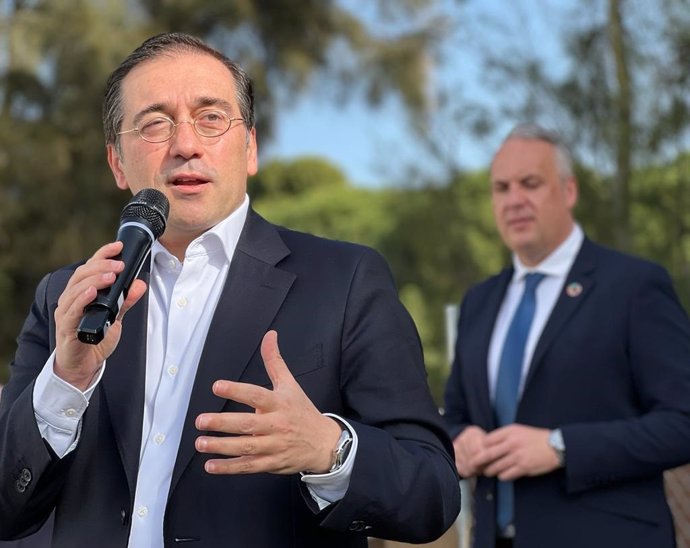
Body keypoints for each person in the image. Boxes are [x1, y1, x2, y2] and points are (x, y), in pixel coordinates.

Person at [0, 32, 460, 548]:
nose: (186, 145)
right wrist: (65, 381)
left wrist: (328, 449)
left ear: (251, 149)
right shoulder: (68, 298)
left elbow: (433, 494)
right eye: (154, 124)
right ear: (117, 163)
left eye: (212, 118)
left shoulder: (346, 281)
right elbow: (7, 508)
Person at [443, 122, 690, 548]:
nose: (514, 200)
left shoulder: (634, 286)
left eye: (531, 183)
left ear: (569, 190)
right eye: (501, 188)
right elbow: (456, 415)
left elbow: (683, 423)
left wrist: (562, 447)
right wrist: (457, 441)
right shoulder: (478, 302)